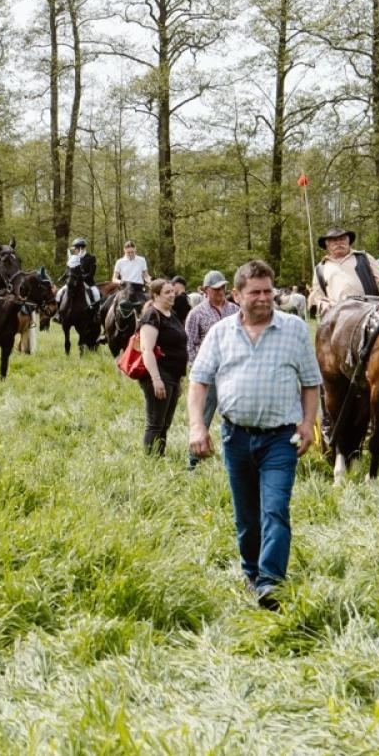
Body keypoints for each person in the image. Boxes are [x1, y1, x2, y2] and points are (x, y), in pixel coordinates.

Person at [187, 260, 321, 611]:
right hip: (236, 437)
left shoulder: (294, 329)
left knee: (275, 510)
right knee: (247, 515)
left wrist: (308, 424)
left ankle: (270, 583)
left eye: (268, 291)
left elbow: (311, 383)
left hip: (281, 439)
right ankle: (251, 572)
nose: (264, 298)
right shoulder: (220, 333)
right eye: (255, 292)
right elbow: (199, 381)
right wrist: (197, 426)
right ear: (237, 295)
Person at [184, 269, 239, 470]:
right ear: (206, 290)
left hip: (232, 371)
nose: (221, 291)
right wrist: (196, 371)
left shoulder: (234, 310)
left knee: (234, 415)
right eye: (216, 289)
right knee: (203, 415)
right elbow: (189, 343)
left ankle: (233, 457)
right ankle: (193, 459)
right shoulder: (196, 314)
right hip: (208, 373)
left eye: (223, 287)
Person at [136, 278, 189, 456]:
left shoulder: (171, 315)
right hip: (159, 375)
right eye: (167, 292)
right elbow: (146, 349)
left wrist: (179, 379)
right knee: (155, 423)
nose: (172, 295)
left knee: (165, 423)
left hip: (173, 377)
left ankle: (160, 456)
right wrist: (156, 379)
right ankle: (150, 463)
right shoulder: (152, 315)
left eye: (173, 291)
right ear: (156, 295)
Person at [308, 227, 379, 316]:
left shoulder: (364, 257)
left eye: (342, 239)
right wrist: (323, 304)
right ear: (327, 246)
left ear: (348, 242)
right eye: (334, 241)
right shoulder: (320, 268)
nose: (338, 243)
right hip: (338, 315)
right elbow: (318, 296)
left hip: (369, 312)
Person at [63, 238, 100, 310]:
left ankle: (97, 313)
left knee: (96, 294)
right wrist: (64, 276)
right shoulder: (73, 258)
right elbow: (68, 270)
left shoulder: (91, 258)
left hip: (88, 283)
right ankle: (58, 314)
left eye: (75, 248)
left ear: (80, 248)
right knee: (60, 293)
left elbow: (91, 274)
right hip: (74, 282)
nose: (74, 250)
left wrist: (81, 278)